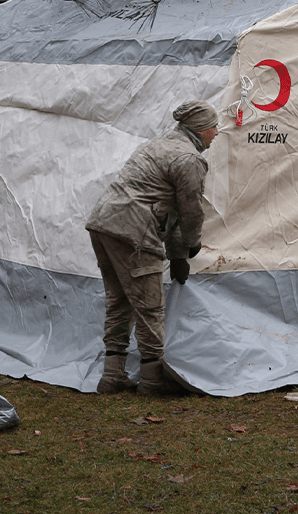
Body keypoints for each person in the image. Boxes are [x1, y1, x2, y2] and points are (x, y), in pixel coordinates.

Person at [85, 101, 219, 395]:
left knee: (119, 301)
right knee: (150, 306)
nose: (217, 133)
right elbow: (190, 211)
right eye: (214, 127)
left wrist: (176, 254)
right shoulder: (189, 159)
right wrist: (192, 245)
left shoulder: (157, 145)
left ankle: (112, 375)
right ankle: (152, 381)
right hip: (134, 231)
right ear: (200, 129)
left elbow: (167, 209)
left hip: (103, 224)